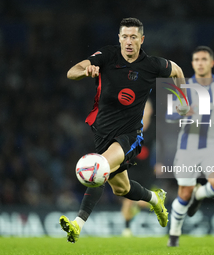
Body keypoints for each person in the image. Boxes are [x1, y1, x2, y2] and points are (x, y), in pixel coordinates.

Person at [59, 18, 188, 243]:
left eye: (133, 37)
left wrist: (183, 98)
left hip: (130, 135)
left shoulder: (152, 65)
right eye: (125, 37)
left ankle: (77, 224)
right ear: (119, 38)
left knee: (98, 169)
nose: (129, 41)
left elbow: (176, 70)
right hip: (102, 133)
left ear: (142, 40)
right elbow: (72, 72)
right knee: (122, 189)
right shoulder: (107, 56)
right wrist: (86, 70)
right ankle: (155, 200)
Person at [166, 46, 214, 247]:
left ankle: (200, 193)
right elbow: (168, 115)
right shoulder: (184, 87)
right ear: (192, 63)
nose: (200, 62)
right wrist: (181, 112)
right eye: (196, 59)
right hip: (187, 148)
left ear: (212, 62)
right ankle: (174, 235)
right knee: (184, 194)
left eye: (204, 59)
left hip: (212, 146)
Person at [121, 99, 156, 237]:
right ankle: (127, 229)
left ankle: (135, 210)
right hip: (132, 167)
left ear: (151, 111)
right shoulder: (131, 127)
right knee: (128, 199)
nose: (143, 111)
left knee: (144, 202)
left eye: (146, 108)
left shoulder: (154, 129)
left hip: (147, 171)